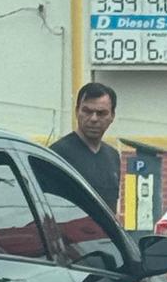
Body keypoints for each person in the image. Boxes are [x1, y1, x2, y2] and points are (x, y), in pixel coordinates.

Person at [50, 82, 121, 212]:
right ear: (77, 111)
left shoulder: (113, 157)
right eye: (87, 111)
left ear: (112, 116)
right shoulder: (57, 155)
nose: (93, 119)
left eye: (101, 113)